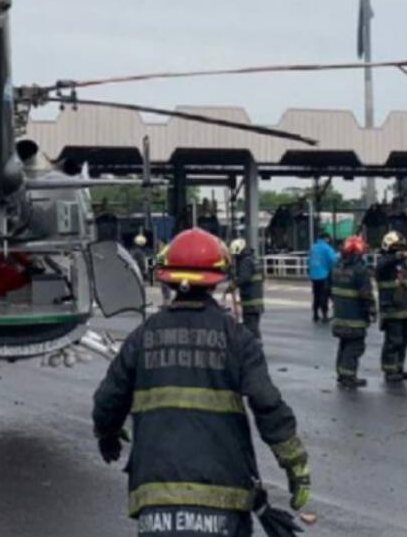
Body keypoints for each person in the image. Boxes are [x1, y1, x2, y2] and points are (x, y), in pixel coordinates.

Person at [93, 228, 311, 537]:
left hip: (156, 502)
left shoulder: (142, 338)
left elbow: (108, 399)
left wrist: (107, 433)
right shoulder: (237, 338)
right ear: (218, 276)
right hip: (223, 499)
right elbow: (266, 402)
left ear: (167, 278)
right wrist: (295, 464)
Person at [329, 235, 376, 389]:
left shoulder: (336, 266)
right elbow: (365, 295)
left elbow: (328, 289)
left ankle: (342, 374)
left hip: (339, 315)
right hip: (355, 316)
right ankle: (349, 376)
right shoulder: (360, 269)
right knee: (355, 346)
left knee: (344, 344)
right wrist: (372, 310)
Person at [375, 231, 407, 383]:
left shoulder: (403, 266)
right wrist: (399, 256)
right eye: (396, 248)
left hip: (406, 309)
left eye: (401, 248)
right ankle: (390, 370)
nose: (399, 251)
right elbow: (384, 264)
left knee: (405, 340)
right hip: (391, 309)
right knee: (393, 341)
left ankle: (399, 368)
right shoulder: (384, 263)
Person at [230, 238, 265, 339]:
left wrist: (233, 285)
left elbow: (243, 278)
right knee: (254, 327)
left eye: (236, 255)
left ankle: (255, 349)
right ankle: (256, 346)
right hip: (257, 300)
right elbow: (262, 277)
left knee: (251, 329)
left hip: (250, 301)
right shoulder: (254, 260)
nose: (235, 258)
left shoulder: (245, 262)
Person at [307, 232, 338, 323]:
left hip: (314, 275)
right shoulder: (327, 248)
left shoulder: (313, 247)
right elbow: (333, 260)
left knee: (316, 295)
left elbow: (308, 261)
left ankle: (315, 314)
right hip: (324, 275)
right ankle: (324, 315)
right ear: (326, 239)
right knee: (324, 295)